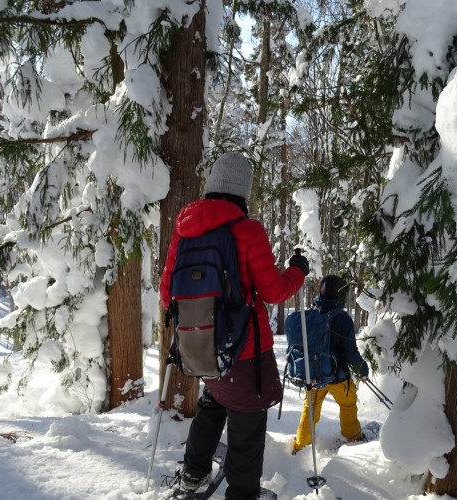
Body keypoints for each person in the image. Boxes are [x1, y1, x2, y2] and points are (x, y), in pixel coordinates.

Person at [159, 152, 309, 499]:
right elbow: (273, 290)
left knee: (212, 405)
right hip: (244, 352)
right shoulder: (247, 229)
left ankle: (193, 475)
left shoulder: (184, 228)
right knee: (246, 429)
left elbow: (168, 293)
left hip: (201, 349)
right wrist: (298, 270)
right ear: (244, 191)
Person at [291, 274, 370, 454]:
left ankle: (300, 445)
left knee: (310, 410)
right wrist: (362, 369)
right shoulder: (342, 318)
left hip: (313, 376)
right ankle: (353, 437)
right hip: (338, 377)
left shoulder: (311, 314)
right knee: (348, 404)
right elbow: (350, 351)